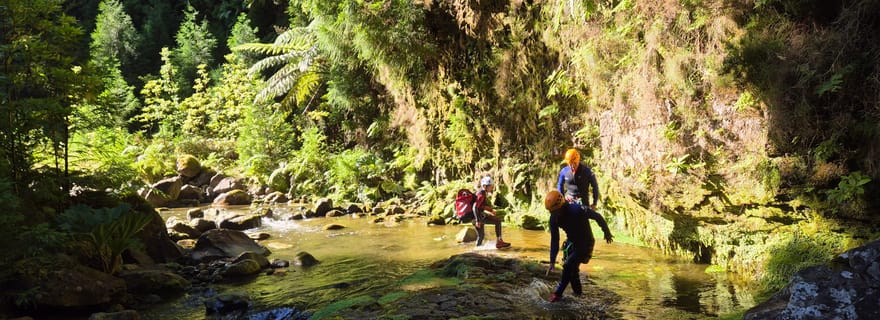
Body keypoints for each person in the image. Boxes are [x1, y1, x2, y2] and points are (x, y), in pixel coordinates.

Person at [543, 190, 612, 302]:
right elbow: (554, 239)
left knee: (568, 265)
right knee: (573, 272)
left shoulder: (577, 209)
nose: (554, 214)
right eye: (552, 212)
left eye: (555, 212)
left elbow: (597, 216)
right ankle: (578, 296)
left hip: (586, 243)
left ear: (561, 206)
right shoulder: (554, 218)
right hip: (572, 243)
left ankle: (557, 294)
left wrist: (607, 232)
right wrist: (552, 261)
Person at [472, 175, 511, 249]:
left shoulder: (480, 192)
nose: (492, 187)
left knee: (481, 236)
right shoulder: (481, 194)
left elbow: (481, 206)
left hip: (475, 217)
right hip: (478, 217)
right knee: (498, 221)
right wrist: (478, 220)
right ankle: (499, 242)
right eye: (491, 186)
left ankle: (477, 250)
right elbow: (475, 207)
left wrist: (491, 210)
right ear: (485, 186)